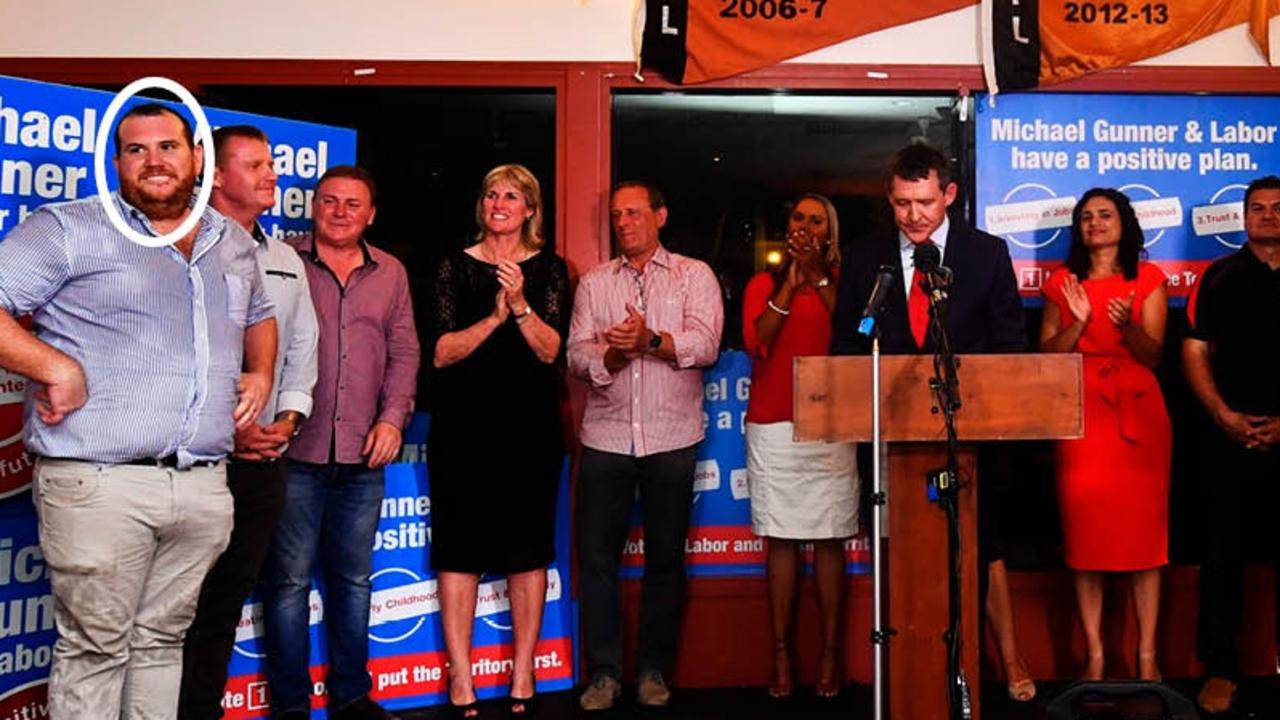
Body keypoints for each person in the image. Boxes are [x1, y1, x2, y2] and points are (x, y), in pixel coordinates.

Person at [0, 102, 277, 719]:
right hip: (99, 482)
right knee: (95, 649)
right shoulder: (70, 228)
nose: (154, 161)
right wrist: (55, 366)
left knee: (160, 645)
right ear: (117, 162)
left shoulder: (229, 241)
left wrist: (259, 371)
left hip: (202, 486)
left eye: (168, 147)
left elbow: (259, 315)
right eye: (136, 150)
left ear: (196, 157)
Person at [829, 143, 1033, 701]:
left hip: (971, 439)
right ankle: (905, 667)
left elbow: (1010, 344)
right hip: (890, 443)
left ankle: (1004, 659)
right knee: (898, 551)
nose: (913, 216)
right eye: (901, 204)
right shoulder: (866, 256)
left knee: (980, 547)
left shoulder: (985, 254)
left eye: (923, 202)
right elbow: (846, 343)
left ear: (948, 194)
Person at [265, 165, 420, 720]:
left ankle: (352, 696)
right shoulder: (281, 262)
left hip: (363, 452)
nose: (339, 212)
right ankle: (289, 704)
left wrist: (393, 420)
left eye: (353, 204)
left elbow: (405, 354)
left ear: (371, 214)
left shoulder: (392, 274)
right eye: (329, 201)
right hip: (293, 452)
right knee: (286, 584)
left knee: (354, 581)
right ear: (314, 206)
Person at [179, 125, 320, 720]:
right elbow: (172, 355)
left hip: (264, 463)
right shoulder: (176, 247)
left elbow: (301, 350)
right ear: (214, 173)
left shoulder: (286, 257)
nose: (272, 175)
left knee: (222, 609)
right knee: (175, 610)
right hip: (193, 466)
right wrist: (227, 430)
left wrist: (284, 423)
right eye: (257, 164)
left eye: (272, 164)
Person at [568, 181, 723, 711]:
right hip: (607, 438)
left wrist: (650, 342)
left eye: (634, 213)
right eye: (616, 216)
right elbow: (575, 354)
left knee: (664, 561)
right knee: (597, 560)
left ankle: (654, 669)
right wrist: (613, 357)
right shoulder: (594, 283)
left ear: (660, 214)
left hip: (671, 437)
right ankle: (604, 674)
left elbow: (706, 345)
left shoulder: (692, 274)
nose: (624, 223)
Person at [428, 164, 570, 718]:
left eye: (511, 195)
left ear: (531, 209)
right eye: (491, 194)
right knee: (459, 554)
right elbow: (440, 353)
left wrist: (520, 306)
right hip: (463, 433)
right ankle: (461, 680)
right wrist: (492, 318)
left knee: (526, 552)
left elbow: (550, 350)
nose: (499, 203)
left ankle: (523, 673)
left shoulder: (551, 269)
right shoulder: (452, 267)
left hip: (528, 433)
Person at [1040, 188, 1170, 682]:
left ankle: (1147, 656)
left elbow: (1154, 355)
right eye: (1086, 216)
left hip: (1138, 415)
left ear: (1124, 223)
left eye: (1105, 215)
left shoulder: (1147, 279)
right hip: (1079, 413)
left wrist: (1126, 326)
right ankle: (1094, 655)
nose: (1095, 223)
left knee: (1145, 541)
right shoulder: (1062, 282)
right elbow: (1047, 357)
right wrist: (1079, 322)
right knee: (1086, 537)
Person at [741, 193, 856, 699]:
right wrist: (791, 281)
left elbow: (852, 332)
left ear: (829, 233)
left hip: (831, 421)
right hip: (772, 423)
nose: (805, 227)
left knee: (831, 538)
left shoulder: (842, 283)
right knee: (781, 540)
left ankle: (831, 653)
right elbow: (758, 339)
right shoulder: (762, 283)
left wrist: (818, 277)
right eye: (798, 219)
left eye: (816, 221)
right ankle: (780, 653)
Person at [1184, 175, 1280, 715]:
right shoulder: (1218, 278)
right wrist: (1223, 415)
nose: (1268, 217)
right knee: (1222, 558)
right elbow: (1194, 353)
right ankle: (1221, 667)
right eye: (1258, 209)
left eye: (1277, 209)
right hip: (1229, 437)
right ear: (1243, 218)